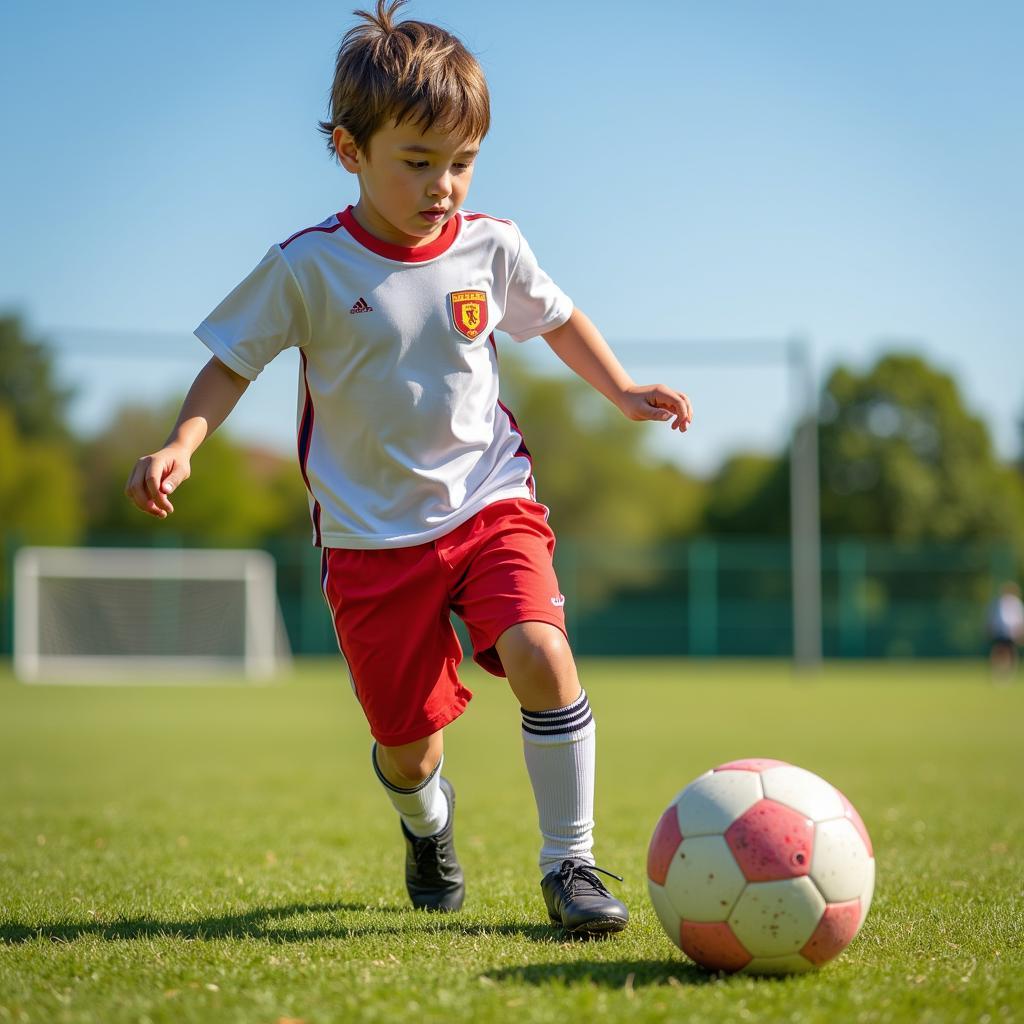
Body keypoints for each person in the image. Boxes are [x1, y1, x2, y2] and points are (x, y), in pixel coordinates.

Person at [124, 0, 692, 935]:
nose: (445, 186)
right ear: (349, 150)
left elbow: (553, 319)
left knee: (544, 652)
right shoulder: (307, 267)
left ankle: (572, 865)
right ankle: (429, 829)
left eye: (462, 162)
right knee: (409, 750)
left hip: (489, 500)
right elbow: (230, 359)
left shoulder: (491, 245)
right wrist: (185, 441)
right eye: (418, 162)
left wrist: (625, 391)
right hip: (369, 539)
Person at [987, 582, 1024, 680]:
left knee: (1011, 653)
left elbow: (1019, 619)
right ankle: (996, 672)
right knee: (998, 651)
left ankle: (1010, 673)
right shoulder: (997, 603)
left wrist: (1020, 632)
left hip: (1012, 632)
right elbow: (992, 618)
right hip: (999, 632)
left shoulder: (1016, 603)